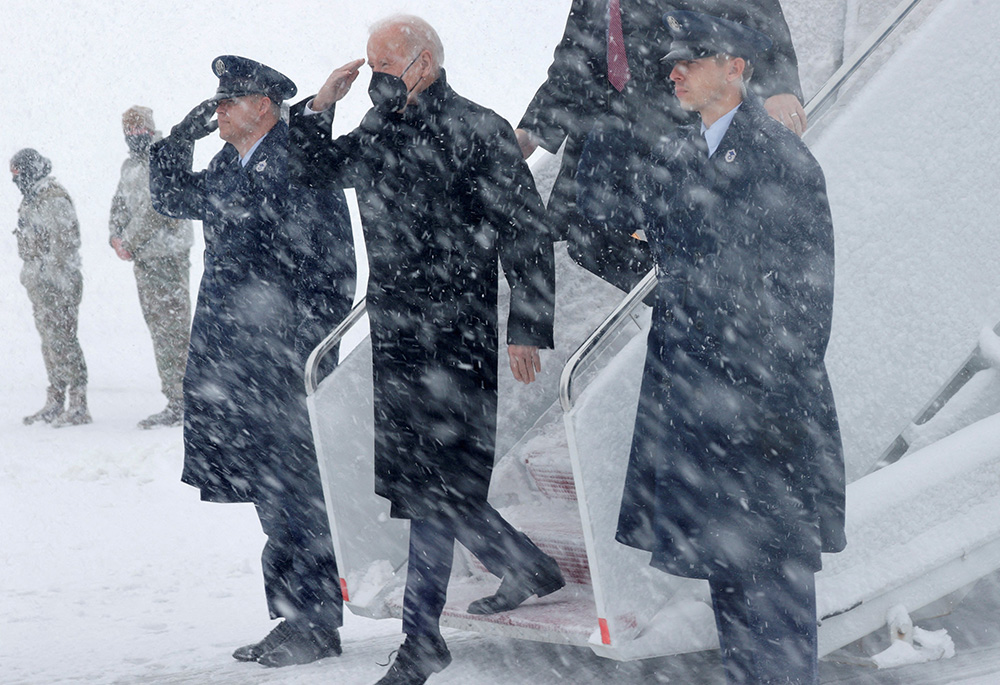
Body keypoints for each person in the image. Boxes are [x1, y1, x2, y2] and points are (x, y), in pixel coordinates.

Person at [288, 15, 564, 685]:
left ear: (423, 65)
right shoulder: (380, 130)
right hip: (397, 337)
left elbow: (525, 232)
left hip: (457, 337)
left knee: (435, 492)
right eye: (370, 67)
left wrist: (528, 323)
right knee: (426, 482)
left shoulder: (479, 128)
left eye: (385, 66)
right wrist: (319, 106)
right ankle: (527, 565)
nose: (376, 78)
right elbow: (314, 170)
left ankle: (422, 639)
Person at [602, 11, 846, 685]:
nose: (674, 72)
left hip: (762, 403)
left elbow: (808, 295)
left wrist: (768, 393)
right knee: (729, 575)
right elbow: (669, 267)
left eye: (692, 60)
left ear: (737, 66)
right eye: (670, 65)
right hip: (698, 397)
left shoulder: (781, 157)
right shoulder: (682, 157)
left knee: (776, 578)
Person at [148, 56, 356, 668]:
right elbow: (169, 198)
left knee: (298, 495)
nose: (216, 112)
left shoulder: (297, 160)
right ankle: (292, 618)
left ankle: (316, 625)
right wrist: (173, 143)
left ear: (263, 105)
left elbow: (333, 269)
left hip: (284, 365)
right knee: (273, 497)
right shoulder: (225, 164)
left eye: (226, 102)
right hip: (237, 362)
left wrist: (306, 353)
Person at [517, 0, 806, 293]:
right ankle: (696, 301)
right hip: (619, 127)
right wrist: (532, 129)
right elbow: (576, 54)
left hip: (686, 110)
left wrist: (777, 86)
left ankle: (726, 298)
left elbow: (757, 8)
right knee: (588, 237)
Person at [109, 106, 194, 429]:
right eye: (128, 131)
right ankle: (174, 397)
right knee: (159, 330)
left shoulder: (163, 156)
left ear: (150, 129)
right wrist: (115, 236)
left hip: (167, 257)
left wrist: (129, 240)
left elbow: (156, 206)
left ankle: (184, 399)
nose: (134, 136)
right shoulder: (130, 165)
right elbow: (119, 204)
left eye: (139, 130)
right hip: (145, 260)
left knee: (173, 329)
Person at [11, 148, 91, 427]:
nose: (15, 181)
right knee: (50, 344)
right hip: (41, 286)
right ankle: (56, 399)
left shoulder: (52, 199)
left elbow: (62, 246)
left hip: (59, 285)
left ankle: (78, 404)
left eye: (19, 174)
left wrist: (49, 279)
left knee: (65, 342)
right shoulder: (31, 199)